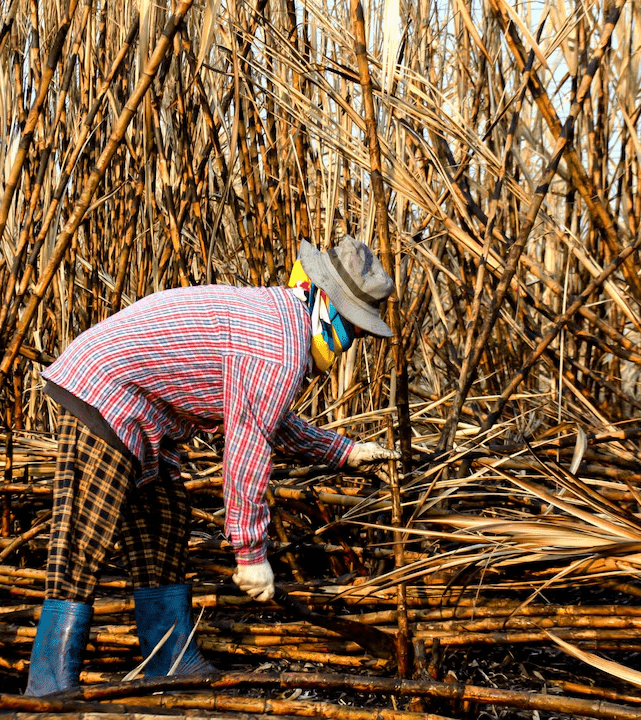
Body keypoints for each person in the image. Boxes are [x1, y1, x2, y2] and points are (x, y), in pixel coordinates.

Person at [24, 236, 400, 696]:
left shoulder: (281, 325)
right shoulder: (280, 347)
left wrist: (346, 452)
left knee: (165, 524)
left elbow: (270, 420)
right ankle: (48, 689)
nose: (354, 340)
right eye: (356, 328)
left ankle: (172, 663)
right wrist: (250, 553)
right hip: (104, 393)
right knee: (83, 541)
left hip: (141, 410)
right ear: (329, 306)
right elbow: (247, 449)